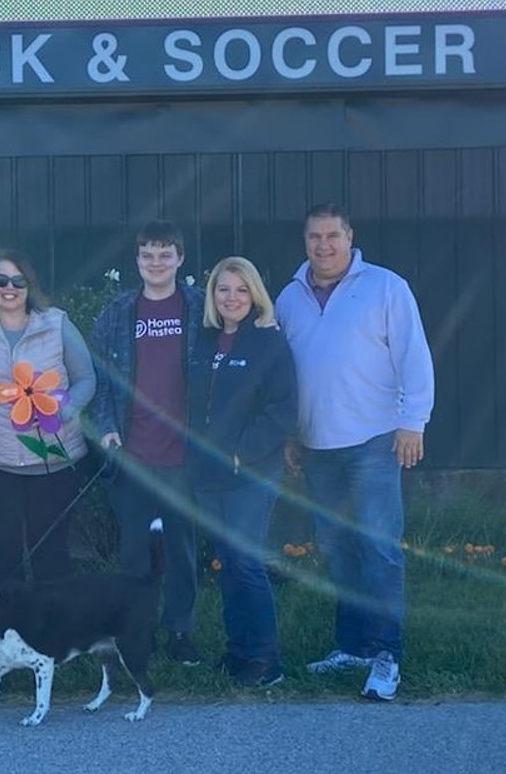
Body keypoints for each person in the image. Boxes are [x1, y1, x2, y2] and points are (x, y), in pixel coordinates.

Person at [275, 203, 434, 702]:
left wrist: (413, 422)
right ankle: (352, 645)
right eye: (314, 238)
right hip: (317, 447)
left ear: (350, 238)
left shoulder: (387, 288)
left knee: (381, 549)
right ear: (305, 242)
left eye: (332, 236)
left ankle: (387, 654)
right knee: (336, 547)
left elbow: (414, 355)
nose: (324, 246)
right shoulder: (288, 298)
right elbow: (283, 375)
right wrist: (289, 434)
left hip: (373, 442)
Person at [89, 219, 205, 666]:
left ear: (179, 259)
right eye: (147, 255)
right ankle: (138, 633)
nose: (156, 263)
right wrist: (105, 427)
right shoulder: (117, 314)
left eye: (165, 254)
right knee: (135, 556)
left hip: (183, 457)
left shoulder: (199, 308)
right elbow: (98, 380)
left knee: (180, 551)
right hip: (132, 454)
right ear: (137, 261)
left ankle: (180, 632)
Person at [186, 256, 297, 688]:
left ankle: (267, 659)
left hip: (250, 470)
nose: (231, 298)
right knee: (227, 562)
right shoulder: (204, 341)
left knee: (246, 561)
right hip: (207, 472)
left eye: (240, 289)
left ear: (255, 295)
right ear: (212, 295)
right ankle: (238, 652)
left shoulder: (269, 344)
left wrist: (242, 452)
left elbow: (282, 409)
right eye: (222, 289)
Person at [0, 250, 97, 588]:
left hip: (52, 460)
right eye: (0, 280)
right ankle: (7, 630)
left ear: (29, 285)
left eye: (18, 281)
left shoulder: (56, 323)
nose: (9, 288)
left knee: (51, 553)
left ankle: (52, 633)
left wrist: (64, 411)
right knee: (1, 553)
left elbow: (87, 378)